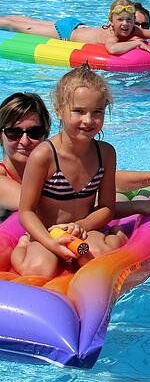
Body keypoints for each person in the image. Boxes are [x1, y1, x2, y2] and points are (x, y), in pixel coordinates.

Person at [0, 92, 150, 222]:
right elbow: (65, 208)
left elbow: (95, 181)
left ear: (46, 134)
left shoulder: (51, 168)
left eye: (34, 132)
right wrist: (140, 206)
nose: (24, 141)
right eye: (13, 133)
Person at [10, 66, 124, 277]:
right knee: (39, 270)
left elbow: (107, 207)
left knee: (98, 259)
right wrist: (50, 242)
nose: (88, 120)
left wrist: (80, 226)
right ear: (59, 110)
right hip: (46, 232)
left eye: (97, 112)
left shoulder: (105, 153)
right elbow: (26, 211)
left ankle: (117, 235)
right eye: (79, 111)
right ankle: (23, 246)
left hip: (84, 230)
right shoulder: (44, 156)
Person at [0, 0, 150, 55]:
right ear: (111, 21)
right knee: (20, 27)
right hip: (65, 32)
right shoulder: (112, 35)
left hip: (77, 24)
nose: (126, 24)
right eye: (120, 20)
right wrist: (138, 43)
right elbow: (112, 49)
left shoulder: (135, 29)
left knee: (29, 21)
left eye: (129, 20)